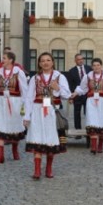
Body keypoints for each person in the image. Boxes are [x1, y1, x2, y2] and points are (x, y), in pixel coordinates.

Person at [23, 52, 71, 180]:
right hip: (37, 111)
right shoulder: (35, 78)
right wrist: (27, 116)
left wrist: (58, 88)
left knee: (50, 138)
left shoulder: (59, 77)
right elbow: (29, 98)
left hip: (51, 111)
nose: (45, 63)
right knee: (37, 138)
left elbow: (67, 95)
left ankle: (49, 168)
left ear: (52, 62)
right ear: (39, 63)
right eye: (42, 60)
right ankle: (37, 170)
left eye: (48, 60)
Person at [69, 57, 103, 154]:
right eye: (94, 65)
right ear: (92, 67)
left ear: (101, 66)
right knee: (92, 122)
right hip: (91, 102)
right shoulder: (88, 76)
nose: (96, 67)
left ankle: (100, 145)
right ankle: (93, 147)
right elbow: (82, 88)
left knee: (102, 123)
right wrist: (74, 94)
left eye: (98, 65)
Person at [0, 51, 28, 165]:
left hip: (15, 102)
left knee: (14, 126)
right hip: (0, 102)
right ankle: (0, 155)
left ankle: (15, 149)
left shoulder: (19, 72)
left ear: (11, 60)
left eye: (4, 58)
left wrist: (24, 105)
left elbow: (24, 89)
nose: (2, 60)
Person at [66, 54, 92, 131]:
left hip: (88, 95)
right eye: (78, 59)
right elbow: (70, 85)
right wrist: (70, 97)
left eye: (82, 59)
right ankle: (78, 130)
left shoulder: (89, 69)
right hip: (77, 96)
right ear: (75, 61)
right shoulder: (71, 71)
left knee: (88, 113)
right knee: (77, 113)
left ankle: (89, 129)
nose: (81, 60)